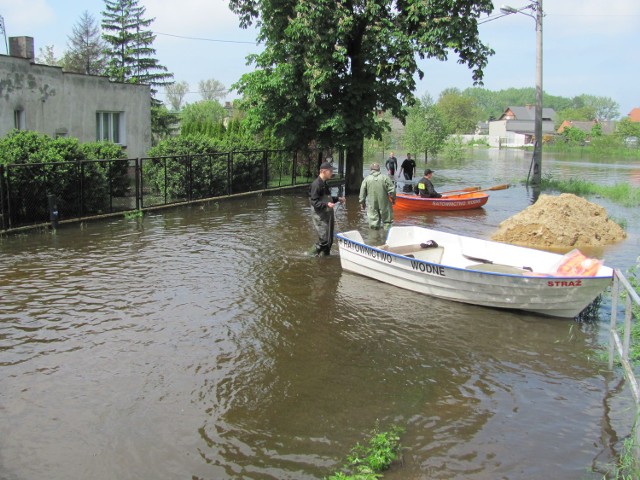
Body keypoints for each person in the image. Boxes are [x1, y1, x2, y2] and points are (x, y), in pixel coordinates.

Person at [308, 161, 345, 256]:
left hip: (328, 214)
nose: (332, 173)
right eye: (330, 171)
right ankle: (309, 255)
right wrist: (326, 204)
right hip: (320, 216)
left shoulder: (325, 183)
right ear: (323, 171)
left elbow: (328, 198)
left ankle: (324, 259)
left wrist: (338, 199)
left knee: (329, 241)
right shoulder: (316, 184)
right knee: (324, 240)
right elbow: (314, 202)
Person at [359, 163, 396, 229]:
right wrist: (393, 199)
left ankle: (374, 237)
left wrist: (362, 203)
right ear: (379, 169)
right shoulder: (385, 177)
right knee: (387, 222)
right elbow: (392, 190)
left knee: (373, 224)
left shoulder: (366, 179)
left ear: (370, 169)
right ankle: (386, 236)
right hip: (384, 203)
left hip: (372, 203)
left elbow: (362, 193)